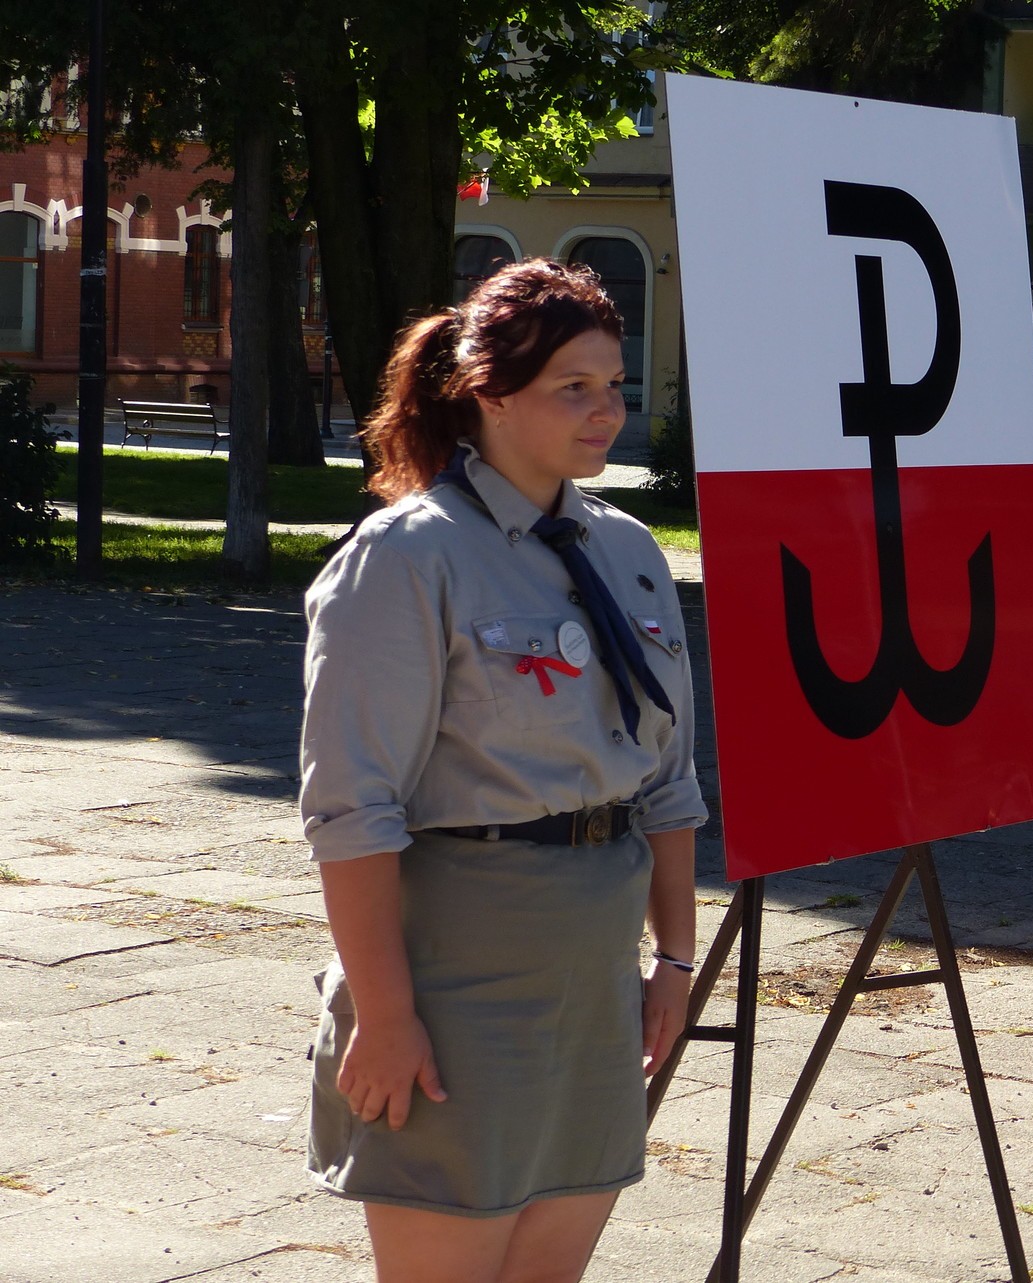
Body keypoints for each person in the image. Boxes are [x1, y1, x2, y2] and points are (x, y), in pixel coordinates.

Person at [299, 258, 705, 1283]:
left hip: (595, 978)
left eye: (614, 384)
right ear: (489, 393)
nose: (606, 411)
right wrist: (386, 1015)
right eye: (574, 387)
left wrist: (674, 959)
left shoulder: (628, 552)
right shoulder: (408, 557)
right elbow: (352, 811)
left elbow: (667, 779)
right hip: (458, 980)